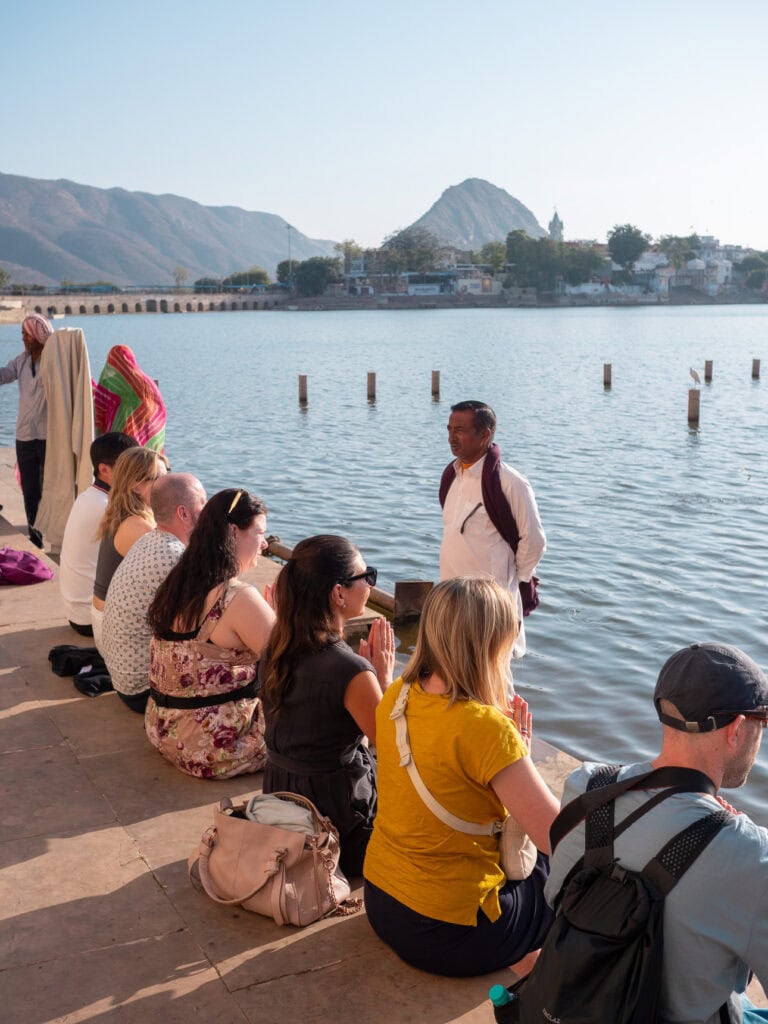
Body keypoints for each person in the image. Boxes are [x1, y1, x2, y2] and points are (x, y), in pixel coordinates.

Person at [546, 643, 768, 1024]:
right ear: (735, 730)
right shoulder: (750, 854)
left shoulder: (585, 787)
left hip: (573, 1003)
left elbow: (555, 899)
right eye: (762, 722)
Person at [363, 577, 560, 977]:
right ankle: (556, 985)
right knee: (562, 876)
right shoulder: (485, 728)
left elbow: (443, 788)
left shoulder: (397, 696)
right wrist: (517, 755)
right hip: (446, 933)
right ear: (491, 646)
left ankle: (522, 958)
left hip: (383, 902)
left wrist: (507, 757)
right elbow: (560, 838)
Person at [259, 535, 395, 877]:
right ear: (339, 593)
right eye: (367, 577)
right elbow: (395, 747)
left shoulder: (275, 649)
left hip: (280, 809)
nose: (370, 584)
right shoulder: (349, 670)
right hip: (337, 832)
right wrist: (385, 681)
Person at [144, 488, 275, 779]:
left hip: (164, 730)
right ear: (232, 532)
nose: (264, 543)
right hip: (213, 749)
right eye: (260, 532)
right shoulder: (236, 596)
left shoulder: (178, 583)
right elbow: (295, 663)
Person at [439, 400, 546, 659]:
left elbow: (534, 542)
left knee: (495, 680)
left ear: (485, 434)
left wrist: (510, 580)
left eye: (460, 430)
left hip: (490, 607)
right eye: (450, 429)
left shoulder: (510, 483)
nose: (452, 437)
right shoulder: (452, 476)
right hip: (451, 600)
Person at [101, 473, 207, 713]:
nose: (207, 509)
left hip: (123, 681)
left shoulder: (149, 539)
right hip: (143, 691)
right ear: (183, 513)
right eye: (203, 501)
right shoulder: (175, 558)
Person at [91, 447, 169, 652]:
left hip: (106, 623)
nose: (168, 483)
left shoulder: (124, 514)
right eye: (159, 478)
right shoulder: (138, 527)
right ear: (136, 485)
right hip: (116, 637)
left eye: (168, 474)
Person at [58, 432, 137, 635]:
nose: (135, 473)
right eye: (127, 467)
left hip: (77, 612)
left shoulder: (89, 497)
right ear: (104, 469)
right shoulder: (107, 508)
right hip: (92, 618)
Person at [0, 314, 54, 547]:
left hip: (48, 436)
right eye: (22, 334)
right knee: (30, 490)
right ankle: (36, 537)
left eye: (27, 335)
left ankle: (55, 533)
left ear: (39, 335)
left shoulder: (54, 361)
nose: (24, 339)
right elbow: (4, 375)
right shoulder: (21, 362)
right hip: (24, 436)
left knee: (52, 487)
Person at [93, 344, 166, 451]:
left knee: (125, 455)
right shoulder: (147, 382)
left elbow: (100, 404)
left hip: (123, 442)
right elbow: (160, 408)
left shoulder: (112, 384)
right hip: (150, 436)